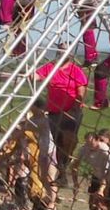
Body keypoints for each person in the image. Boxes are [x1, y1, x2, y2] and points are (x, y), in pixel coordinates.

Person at [34, 47, 88, 182]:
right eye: (61, 49)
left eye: (66, 50)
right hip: (53, 112)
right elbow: (36, 76)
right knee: (56, 142)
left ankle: (63, 166)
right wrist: (27, 75)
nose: (63, 52)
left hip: (71, 111)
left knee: (68, 140)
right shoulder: (50, 67)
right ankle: (58, 172)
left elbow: (81, 91)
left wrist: (76, 106)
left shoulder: (76, 70)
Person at [71, 130, 110, 210]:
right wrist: (75, 183)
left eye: (91, 143)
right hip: (96, 177)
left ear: (97, 140)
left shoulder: (105, 150)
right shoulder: (84, 149)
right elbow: (74, 166)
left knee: (102, 204)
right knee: (92, 204)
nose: (90, 146)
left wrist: (102, 189)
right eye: (87, 143)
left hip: (109, 178)